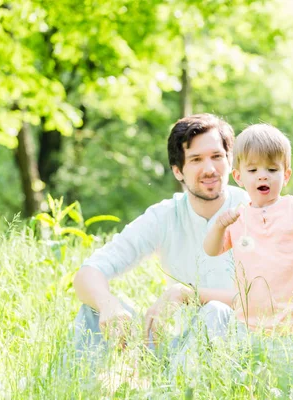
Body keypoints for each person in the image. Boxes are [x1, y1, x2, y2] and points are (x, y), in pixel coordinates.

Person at [72, 113, 249, 361]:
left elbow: (272, 299)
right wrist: (108, 305)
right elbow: (88, 272)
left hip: (239, 350)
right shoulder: (164, 215)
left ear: (230, 161)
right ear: (178, 171)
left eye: (217, 157)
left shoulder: (254, 210)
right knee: (93, 310)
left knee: (215, 311)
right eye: (196, 159)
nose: (210, 169)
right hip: (172, 349)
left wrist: (188, 294)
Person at [203, 124, 293, 386]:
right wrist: (218, 225)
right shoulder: (238, 216)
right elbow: (212, 249)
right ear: (239, 177)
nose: (262, 176)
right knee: (250, 387)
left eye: (272, 170)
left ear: (286, 175)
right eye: (253, 170)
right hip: (248, 325)